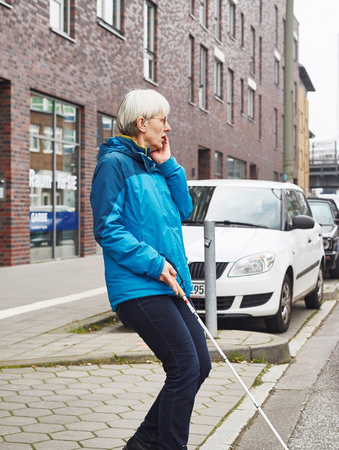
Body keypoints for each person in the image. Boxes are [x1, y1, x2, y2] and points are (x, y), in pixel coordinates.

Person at [91, 89, 211, 450]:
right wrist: (154, 263)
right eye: (163, 120)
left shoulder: (153, 164)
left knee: (200, 364)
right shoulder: (114, 164)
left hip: (169, 283)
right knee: (184, 367)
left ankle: (143, 443)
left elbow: (185, 208)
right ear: (141, 123)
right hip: (139, 285)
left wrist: (169, 163)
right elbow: (107, 228)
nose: (168, 128)